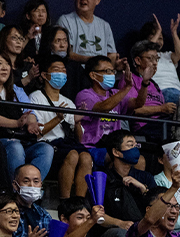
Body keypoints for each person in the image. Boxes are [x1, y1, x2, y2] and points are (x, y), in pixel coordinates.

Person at [29, 54, 93, 199]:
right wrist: (58, 118)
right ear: (45, 75)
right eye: (57, 70)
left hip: (65, 144)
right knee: (73, 155)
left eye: (64, 70)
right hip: (46, 146)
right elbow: (37, 133)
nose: (62, 74)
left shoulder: (68, 102)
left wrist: (77, 122)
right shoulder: (35, 97)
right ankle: (65, 201)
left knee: (86, 157)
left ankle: (79, 201)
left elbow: (79, 139)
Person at [0, 54, 53, 181]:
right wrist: (17, 123)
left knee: (46, 149)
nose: (4, 68)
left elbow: (29, 111)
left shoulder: (16, 89)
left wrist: (31, 123)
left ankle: (31, 187)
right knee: (16, 147)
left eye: (7, 64)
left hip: (21, 139)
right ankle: (16, 189)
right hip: (4, 139)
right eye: (0, 64)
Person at [75, 55, 137, 148]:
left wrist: (145, 83)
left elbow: (138, 103)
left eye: (113, 71)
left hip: (114, 146)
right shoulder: (84, 95)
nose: (112, 74)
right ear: (93, 75)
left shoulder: (115, 93)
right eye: (107, 71)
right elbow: (104, 107)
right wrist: (127, 87)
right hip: (93, 146)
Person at [57, 0, 118, 65]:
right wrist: (92, 61)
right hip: (76, 71)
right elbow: (65, 52)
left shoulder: (104, 25)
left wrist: (112, 65)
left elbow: (112, 54)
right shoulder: (65, 21)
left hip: (101, 72)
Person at [138, 14, 180, 104]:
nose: (158, 41)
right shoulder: (143, 56)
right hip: (159, 92)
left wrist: (174, 33)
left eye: (161, 38)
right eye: (156, 37)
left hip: (178, 92)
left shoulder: (167, 55)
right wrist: (158, 31)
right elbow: (148, 48)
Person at [11, 164, 50, 237]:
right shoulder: (7, 213)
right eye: (26, 181)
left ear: (41, 184)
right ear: (15, 185)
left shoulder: (44, 215)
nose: (31, 185)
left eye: (36, 181)